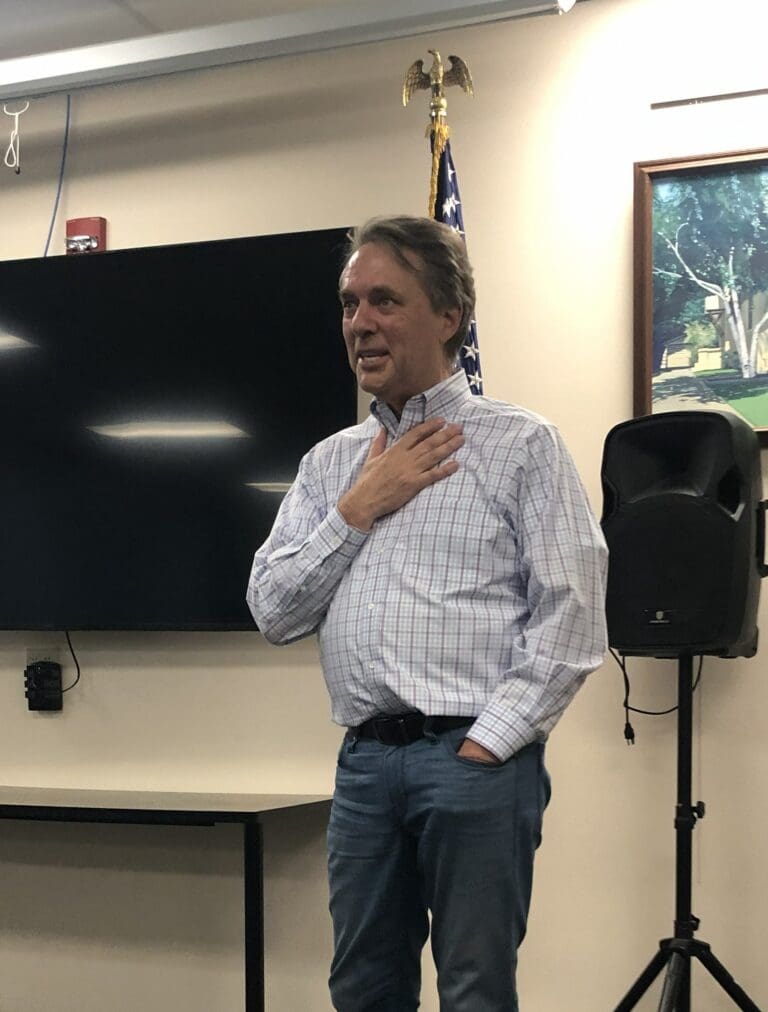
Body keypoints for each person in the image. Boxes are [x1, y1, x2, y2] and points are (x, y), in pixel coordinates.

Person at [247, 215, 607, 1012]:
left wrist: (492, 741)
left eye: (384, 300)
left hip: (472, 762)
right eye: (348, 304)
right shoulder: (330, 466)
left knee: (475, 993)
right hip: (366, 766)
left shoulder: (522, 445)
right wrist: (357, 510)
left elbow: (574, 612)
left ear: (449, 317)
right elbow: (272, 609)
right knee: (363, 989)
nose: (360, 323)